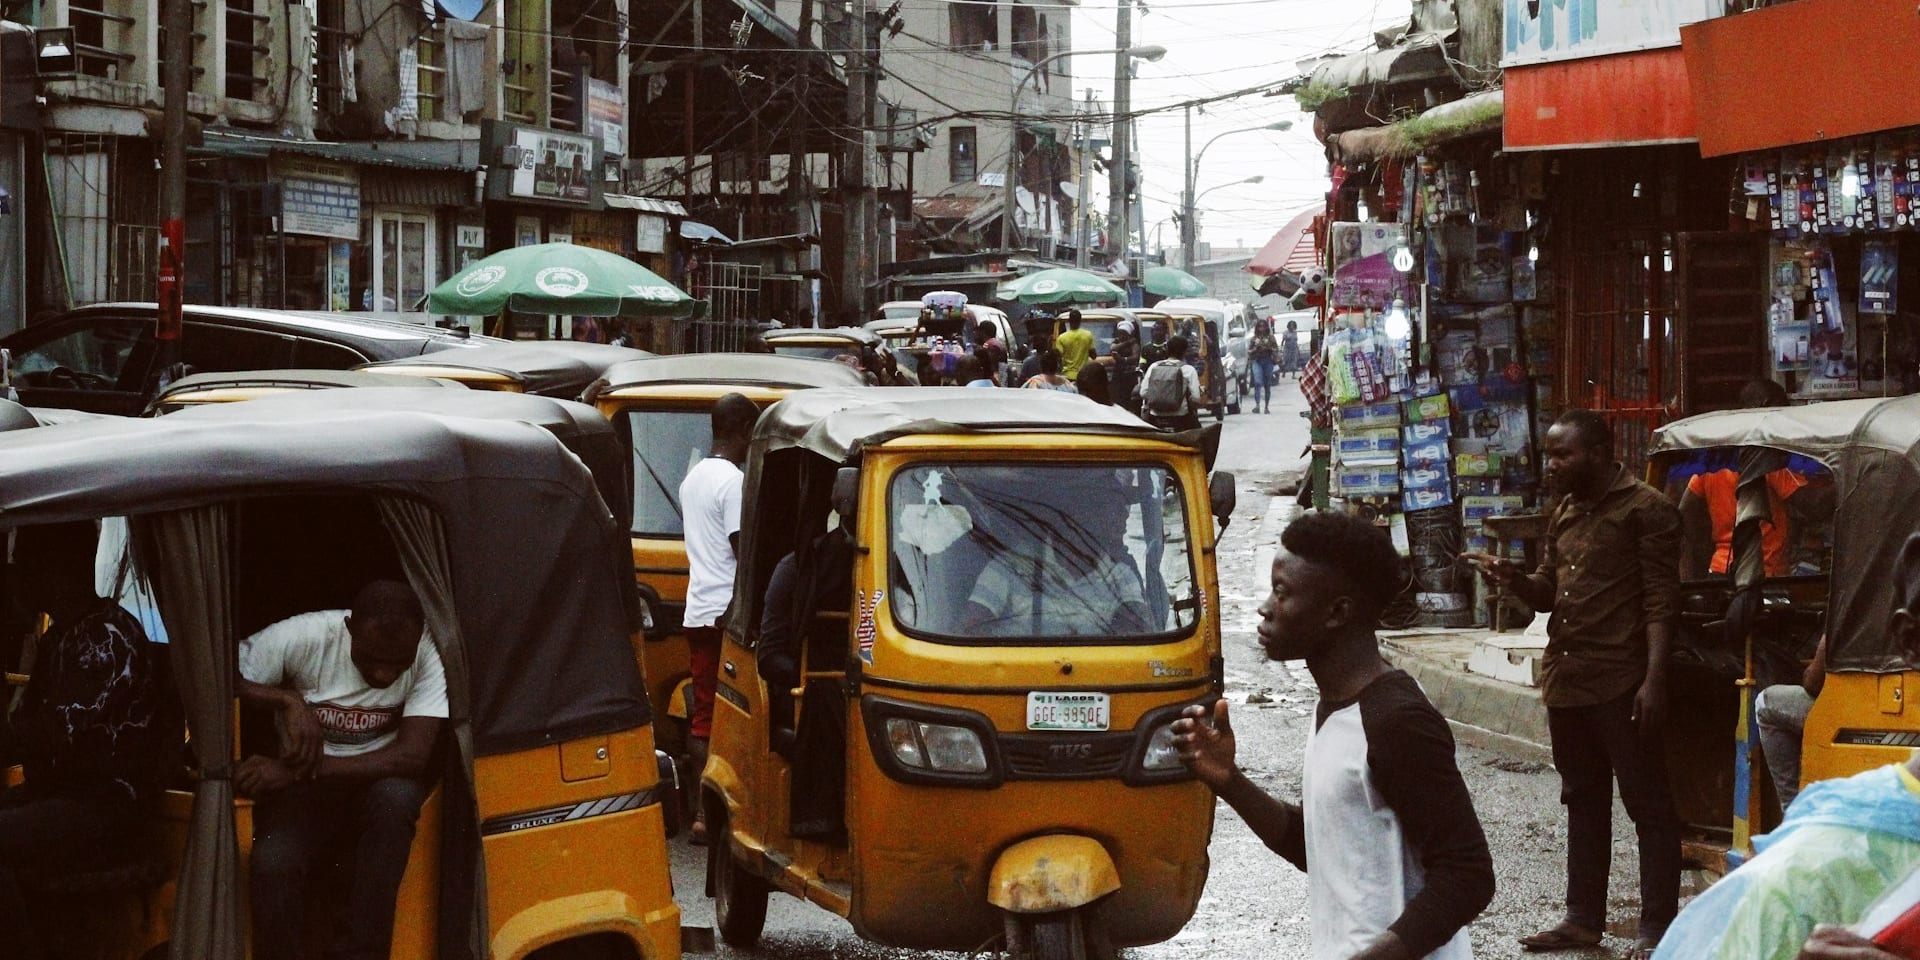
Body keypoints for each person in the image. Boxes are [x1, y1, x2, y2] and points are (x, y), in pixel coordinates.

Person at [1173, 512, 1494, 960]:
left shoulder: (1396, 720)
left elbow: (1468, 874)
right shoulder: (1335, 707)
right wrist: (1229, 781)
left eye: (1282, 592)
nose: (1265, 607)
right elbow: (1324, 850)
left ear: (1338, 612)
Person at [1466, 410, 1683, 959]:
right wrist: (1513, 580)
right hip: (1569, 681)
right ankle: (1583, 919)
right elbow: (1547, 592)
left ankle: (1658, 929)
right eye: (1550, 453)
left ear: (1599, 451)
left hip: (1623, 680)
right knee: (1583, 800)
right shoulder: (1565, 511)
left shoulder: (1646, 510)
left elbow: (1662, 599)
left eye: (1564, 454)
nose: (1553, 464)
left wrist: (1655, 680)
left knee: (1648, 807)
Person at [1648, 536, 1920, 960]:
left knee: (1769, 704)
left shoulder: (1811, 863)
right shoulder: (1805, 869)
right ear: (1910, 639)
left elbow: (1811, 682)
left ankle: (1789, 804)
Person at [238, 580, 447, 960]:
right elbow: (219, 677)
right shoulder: (304, 636)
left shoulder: (429, 650)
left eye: (397, 664)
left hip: (366, 780)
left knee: (398, 797)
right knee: (272, 864)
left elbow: (411, 758)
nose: (383, 675)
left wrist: (296, 772)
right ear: (349, 628)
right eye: (370, 659)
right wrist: (285, 700)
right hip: (306, 791)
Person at [2, 521, 171, 960]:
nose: (14, 576)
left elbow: (50, 735)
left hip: (108, 808)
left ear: (53, 567)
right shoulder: (60, 634)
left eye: (23, 565)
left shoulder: (106, 636)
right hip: (60, 796)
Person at [678, 392, 759, 844]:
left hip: (698, 609)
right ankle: (716, 813)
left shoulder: (693, 479)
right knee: (731, 718)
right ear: (745, 430)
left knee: (703, 715)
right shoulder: (733, 482)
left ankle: (700, 813)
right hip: (727, 614)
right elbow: (740, 551)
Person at [1678, 379, 1815, 579]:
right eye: (1782, 411)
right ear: (1766, 406)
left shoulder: (1716, 457)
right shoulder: (1769, 455)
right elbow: (1812, 505)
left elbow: (1684, 513)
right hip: (1764, 574)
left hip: (1719, 571)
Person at [963, 496, 1150, 637]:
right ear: (1065, 519)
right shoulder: (1011, 565)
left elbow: (1139, 631)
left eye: (1114, 515)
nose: (1117, 522)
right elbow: (970, 630)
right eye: (1094, 514)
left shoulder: (1120, 576)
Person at [1757, 633, 1827, 813]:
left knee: (1765, 704)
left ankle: (1793, 812)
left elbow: (1814, 683)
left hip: (1850, 712)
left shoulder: (1846, 606)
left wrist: (1807, 671)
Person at [1136, 334, 1203, 431]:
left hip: (1155, 417)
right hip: (1181, 417)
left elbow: (1143, 393)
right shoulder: (1188, 370)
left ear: (1167, 349)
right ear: (1184, 352)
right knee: (1198, 438)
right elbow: (1196, 398)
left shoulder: (1154, 366)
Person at [1247, 319, 1280, 414]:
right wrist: (1255, 348)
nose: (1261, 328)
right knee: (1257, 382)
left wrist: (1267, 347)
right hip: (1257, 361)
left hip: (1268, 361)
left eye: (1263, 326)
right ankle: (1257, 405)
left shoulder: (1271, 338)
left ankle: (1266, 406)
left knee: (1267, 384)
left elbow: (1276, 349)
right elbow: (1249, 352)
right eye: (1259, 326)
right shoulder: (1254, 339)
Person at [1110, 319, 1141, 413]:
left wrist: (1123, 359)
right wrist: (1127, 343)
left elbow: (1135, 357)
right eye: (1120, 333)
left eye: (1124, 333)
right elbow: (1113, 348)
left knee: (1128, 398)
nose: (1122, 335)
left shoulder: (1135, 344)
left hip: (1129, 374)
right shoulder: (1118, 342)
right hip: (1118, 374)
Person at [1055, 309, 1095, 380]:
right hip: (1084, 375)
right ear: (1080, 320)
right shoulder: (1088, 335)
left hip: (1067, 376)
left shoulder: (1061, 337)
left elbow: (1058, 358)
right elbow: (1093, 356)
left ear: (1069, 321)